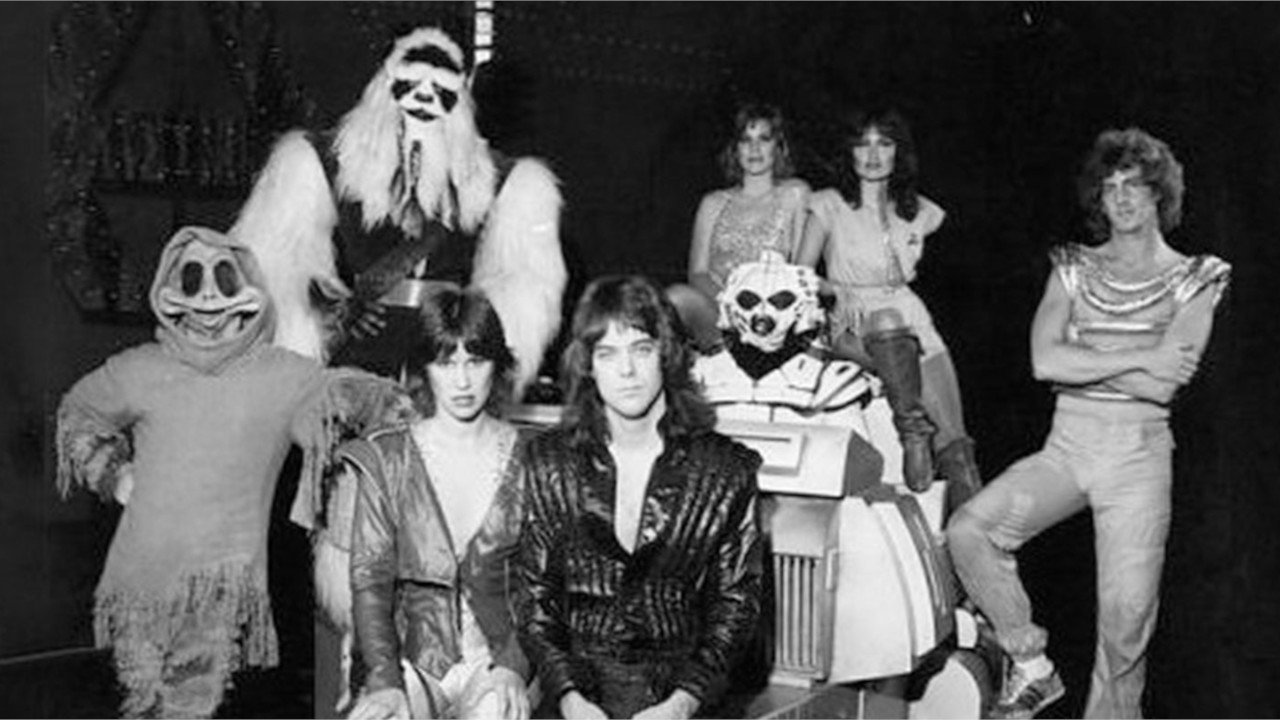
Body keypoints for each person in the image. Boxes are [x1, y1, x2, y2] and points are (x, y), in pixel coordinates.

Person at [55, 226, 400, 718]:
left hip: (219, 587)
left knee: (188, 706)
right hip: (140, 582)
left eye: (223, 280)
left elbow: (332, 399)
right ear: (170, 292)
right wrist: (113, 472)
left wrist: (395, 401)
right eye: (191, 280)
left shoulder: (280, 375)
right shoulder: (139, 368)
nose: (208, 298)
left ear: (248, 294)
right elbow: (80, 410)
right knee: (145, 706)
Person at [945, 128, 1231, 719]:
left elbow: (1163, 385)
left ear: (1159, 194)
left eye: (1135, 185)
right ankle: (1032, 667)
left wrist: (1086, 360)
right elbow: (1044, 361)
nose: (1121, 197)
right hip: (1067, 450)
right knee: (969, 530)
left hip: (1137, 459)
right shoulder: (1073, 266)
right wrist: (1142, 354)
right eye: (1110, 187)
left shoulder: (1197, 276)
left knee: (1125, 626)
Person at [517, 275, 764, 719]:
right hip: (575, 698)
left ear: (666, 354)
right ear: (588, 365)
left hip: (685, 698)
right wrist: (570, 697)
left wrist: (682, 703)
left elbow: (736, 607)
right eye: (607, 354)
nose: (626, 371)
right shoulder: (547, 462)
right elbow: (535, 599)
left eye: (641, 349)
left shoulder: (726, 470)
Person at [344, 286, 533, 720]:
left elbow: (548, 585)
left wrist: (514, 665)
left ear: (498, 364)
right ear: (423, 369)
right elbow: (370, 582)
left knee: (499, 713)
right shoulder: (387, 458)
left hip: (503, 659)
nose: (462, 381)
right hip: (416, 660)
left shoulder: (534, 459)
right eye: (446, 363)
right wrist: (385, 682)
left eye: (476, 361)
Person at [796, 108, 980, 504]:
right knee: (885, 318)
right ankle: (913, 430)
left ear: (899, 152)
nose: (873, 155)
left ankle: (976, 525)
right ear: (849, 152)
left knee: (957, 446)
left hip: (912, 319)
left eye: (884, 143)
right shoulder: (828, 204)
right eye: (862, 144)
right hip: (849, 319)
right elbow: (799, 275)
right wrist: (834, 290)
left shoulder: (922, 212)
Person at [670, 103, 811, 352]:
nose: (754, 149)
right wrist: (732, 302)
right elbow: (698, 273)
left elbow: (801, 270)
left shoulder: (795, 193)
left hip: (774, 314)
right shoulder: (713, 202)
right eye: (746, 140)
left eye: (764, 139)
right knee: (676, 297)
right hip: (721, 312)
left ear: (778, 146)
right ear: (735, 149)